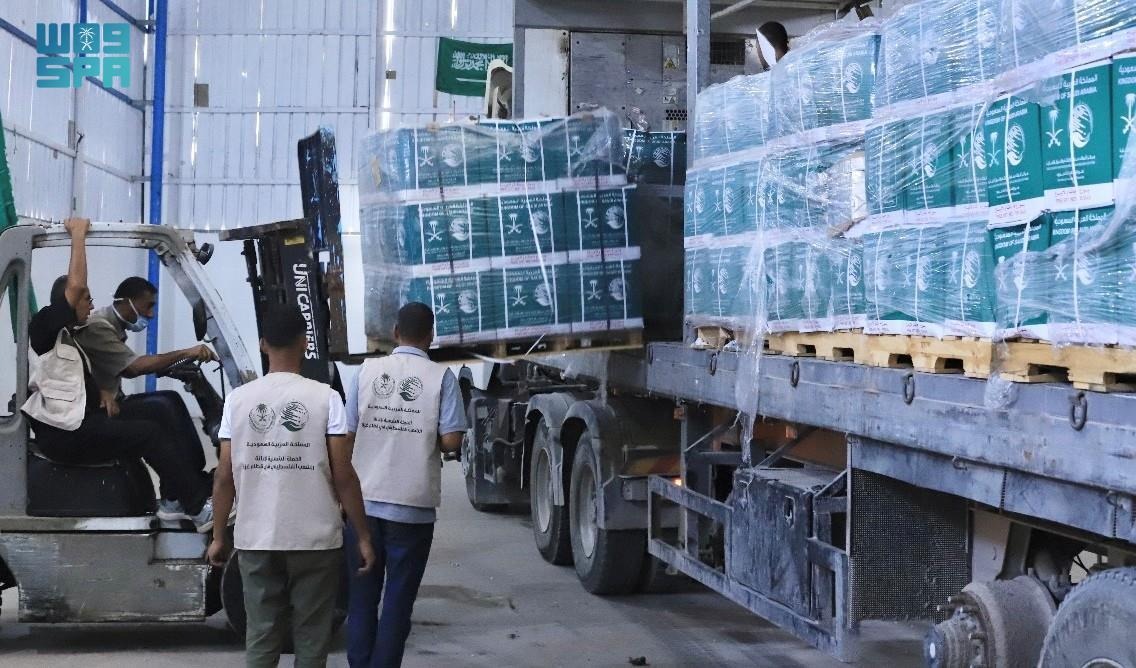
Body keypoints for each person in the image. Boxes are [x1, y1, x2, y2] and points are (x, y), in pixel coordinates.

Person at [207, 304, 376, 668]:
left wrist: (219, 535)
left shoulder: (238, 401)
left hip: (256, 538)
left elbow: (224, 476)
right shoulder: (327, 398)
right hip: (314, 540)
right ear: (305, 343)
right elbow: (343, 474)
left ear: (263, 344)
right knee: (312, 637)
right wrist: (362, 535)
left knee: (262, 635)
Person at [23, 218, 217, 531]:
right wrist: (78, 235)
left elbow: (69, 378)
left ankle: (179, 495)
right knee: (149, 433)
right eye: (86, 298)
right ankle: (196, 507)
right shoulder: (45, 327)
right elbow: (76, 288)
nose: (91, 304)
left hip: (80, 420)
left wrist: (101, 392)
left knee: (162, 409)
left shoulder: (69, 336)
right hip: (67, 433)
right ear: (67, 302)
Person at [344, 302, 468, 668]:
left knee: (362, 598)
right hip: (412, 509)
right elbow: (452, 441)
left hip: (364, 505)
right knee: (398, 603)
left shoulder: (365, 372)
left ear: (395, 333)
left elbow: (346, 435)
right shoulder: (441, 378)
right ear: (431, 336)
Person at [75, 275, 218, 522]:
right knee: (161, 412)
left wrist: (175, 364)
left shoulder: (113, 325)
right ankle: (191, 498)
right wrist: (186, 352)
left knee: (169, 400)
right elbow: (133, 367)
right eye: (148, 306)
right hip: (100, 411)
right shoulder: (99, 327)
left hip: (110, 402)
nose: (151, 314)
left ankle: (178, 492)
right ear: (127, 302)